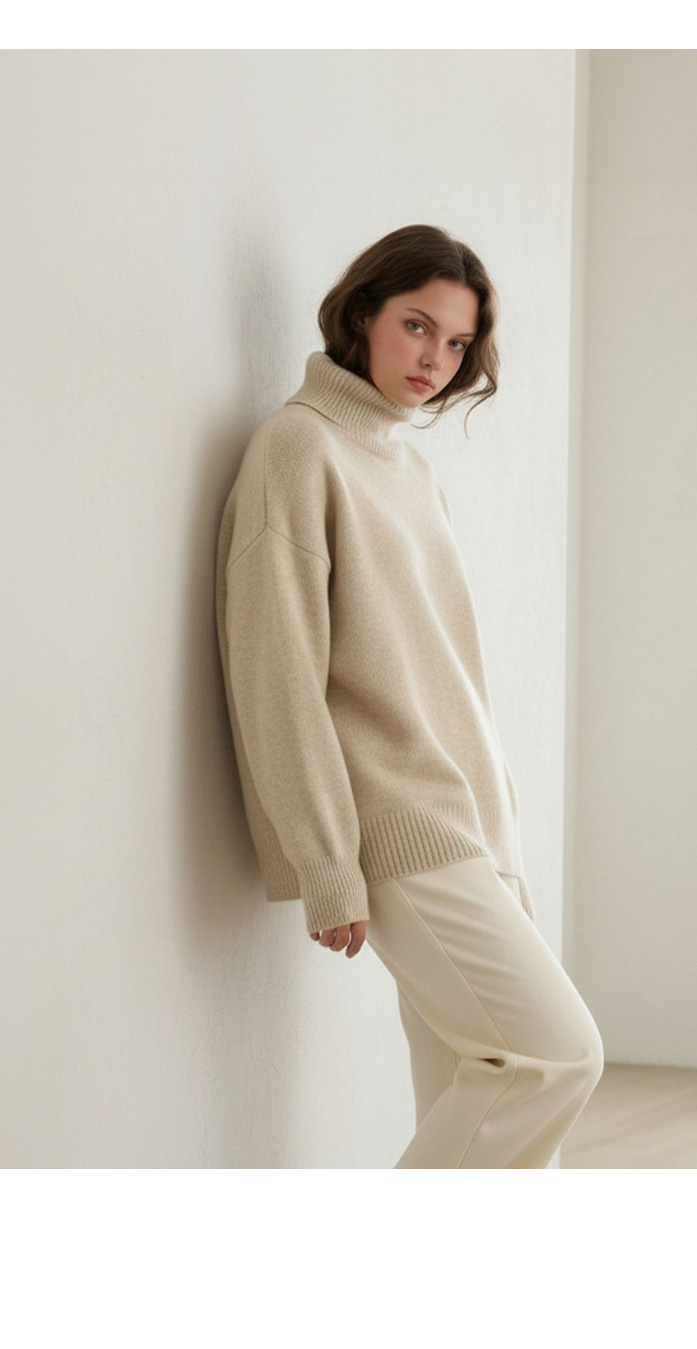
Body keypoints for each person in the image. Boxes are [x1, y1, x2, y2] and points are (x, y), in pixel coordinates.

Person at [215, 224, 603, 1167]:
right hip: (398, 820)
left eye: (458, 342)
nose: (436, 359)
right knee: (555, 1057)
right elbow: (278, 672)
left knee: (481, 1082)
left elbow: (443, 668)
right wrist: (325, 861)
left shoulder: (410, 469)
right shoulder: (297, 448)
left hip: (473, 819)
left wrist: (498, 828)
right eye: (417, 326)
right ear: (362, 315)